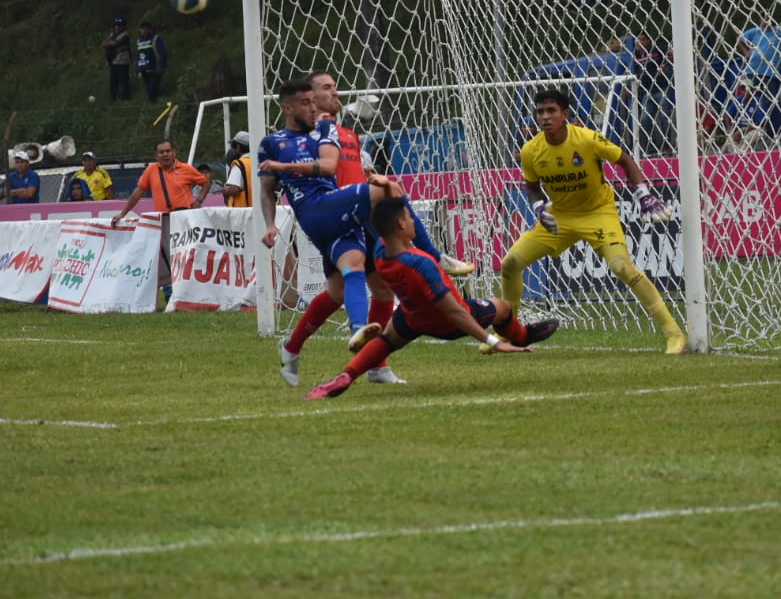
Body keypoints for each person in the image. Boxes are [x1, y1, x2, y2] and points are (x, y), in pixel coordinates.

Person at [264, 76, 471, 387]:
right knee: (390, 197)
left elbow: (345, 170)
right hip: (338, 210)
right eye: (325, 89)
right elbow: (291, 181)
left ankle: (357, 355)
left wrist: (368, 175)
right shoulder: (309, 135)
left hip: (359, 214)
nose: (334, 93)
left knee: (348, 287)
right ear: (301, 102)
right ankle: (434, 255)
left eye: (334, 88)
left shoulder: (343, 133)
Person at [305, 196, 558, 400]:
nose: (414, 220)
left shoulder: (381, 251)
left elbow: (383, 220)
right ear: (401, 225)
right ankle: (522, 335)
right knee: (501, 307)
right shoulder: (422, 264)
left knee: (388, 340)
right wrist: (493, 341)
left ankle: (346, 376)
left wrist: (384, 187)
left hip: (412, 314)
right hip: (446, 322)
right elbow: (455, 312)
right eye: (409, 216)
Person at [499, 88, 687, 354]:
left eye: (551, 111)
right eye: (540, 112)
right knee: (511, 263)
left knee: (623, 268)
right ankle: (509, 335)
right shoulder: (530, 150)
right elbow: (532, 186)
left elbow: (625, 160)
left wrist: (643, 195)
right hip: (561, 218)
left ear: (565, 114)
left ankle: (674, 334)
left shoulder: (587, 139)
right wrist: (540, 207)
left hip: (598, 213)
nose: (545, 117)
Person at [110, 139, 210, 224]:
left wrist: (199, 201)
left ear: (174, 153)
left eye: (168, 151)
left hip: (185, 217)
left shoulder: (186, 169)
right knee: (165, 247)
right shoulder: (151, 170)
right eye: (161, 152)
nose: (165, 154)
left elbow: (206, 183)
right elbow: (137, 193)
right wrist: (123, 214)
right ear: (156, 156)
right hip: (163, 219)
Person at [623, 32, 674, 155]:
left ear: (648, 41)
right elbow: (628, 71)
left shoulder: (656, 50)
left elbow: (671, 53)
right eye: (639, 40)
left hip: (661, 88)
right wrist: (627, 86)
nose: (641, 42)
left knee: (664, 117)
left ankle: (667, 147)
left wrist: (665, 65)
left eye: (643, 40)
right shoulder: (635, 55)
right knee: (645, 119)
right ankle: (652, 148)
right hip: (647, 91)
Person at [737, 17, 781, 106]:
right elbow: (740, 39)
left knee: (770, 102)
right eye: (763, 17)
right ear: (760, 19)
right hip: (752, 71)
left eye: (768, 17)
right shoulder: (755, 31)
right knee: (746, 95)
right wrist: (747, 53)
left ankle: (765, 118)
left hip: (770, 73)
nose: (766, 20)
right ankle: (740, 112)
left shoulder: (777, 32)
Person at [135, 21, 168, 103]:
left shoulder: (156, 38)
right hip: (143, 69)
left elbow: (161, 53)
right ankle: (153, 103)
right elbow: (138, 55)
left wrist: (161, 66)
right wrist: (138, 70)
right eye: (142, 28)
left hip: (154, 69)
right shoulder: (139, 41)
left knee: (153, 88)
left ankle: (155, 103)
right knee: (148, 90)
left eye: (146, 28)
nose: (144, 30)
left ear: (149, 29)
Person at [102, 17, 132, 102]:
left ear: (124, 26)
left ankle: (126, 98)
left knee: (124, 81)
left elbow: (116, 43)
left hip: (123, 61)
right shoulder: (112, 35)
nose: (117, 27)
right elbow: (104, 44)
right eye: (116, 25)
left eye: (120, 26)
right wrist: (110, 44)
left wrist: (110, 44)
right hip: (114, 61)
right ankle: (113, 98)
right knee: (113, 81)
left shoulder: (125, 35)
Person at [222, 131, 254, 208]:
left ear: (238, 147)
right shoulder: (261, 161)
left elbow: (234, 189)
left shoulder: (239, 164)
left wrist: (224, 189)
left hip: (243, 212)